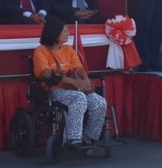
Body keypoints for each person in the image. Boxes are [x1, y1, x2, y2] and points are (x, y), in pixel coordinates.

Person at [33, 16, 108, 153]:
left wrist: (85, 80)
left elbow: (79, 68)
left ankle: (88, 137)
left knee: (99, 103)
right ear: (54, 32)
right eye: (65, 31)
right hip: (54, 90)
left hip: (75, 88)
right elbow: (47, 74)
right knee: (79, 98)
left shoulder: (68, 50)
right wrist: (74, 82)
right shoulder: (41, 51)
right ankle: (72, 139)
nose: (68, 34)